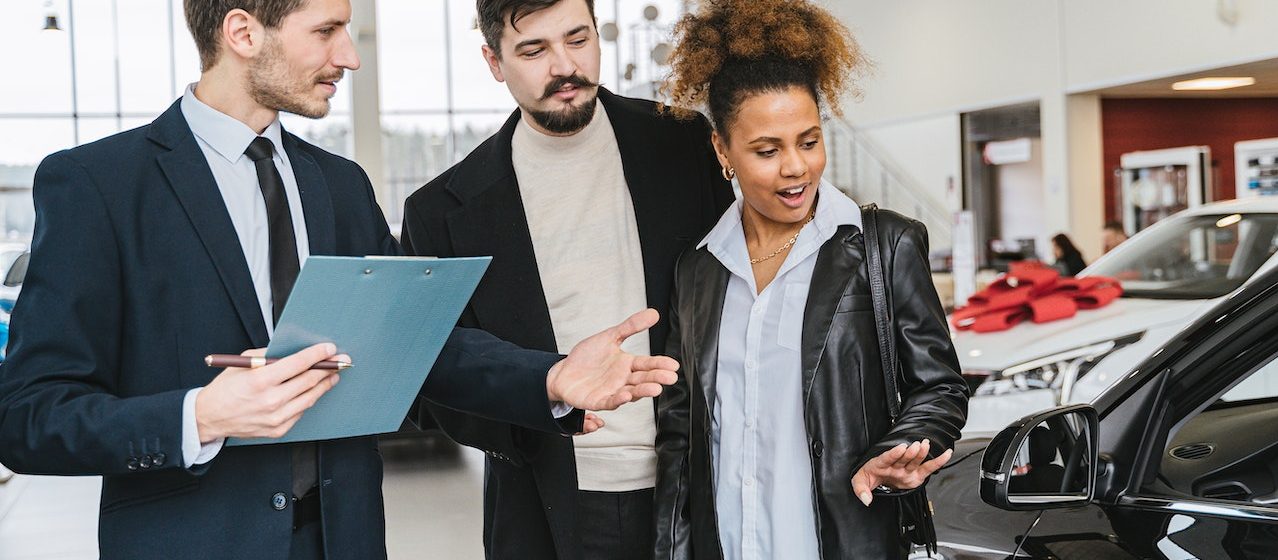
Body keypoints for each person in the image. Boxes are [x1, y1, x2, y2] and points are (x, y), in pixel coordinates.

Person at [0, 1, 679, 558]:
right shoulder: (98, 186)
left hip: (344, 539)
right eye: (326, 31)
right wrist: (199, 416)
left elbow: (420, 344)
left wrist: (549, 378)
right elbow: (30, 417)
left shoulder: (340, 187)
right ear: (242, 33)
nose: (349, 56)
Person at [399, 0, 734, 557]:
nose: (564, 66)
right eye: (534, 50)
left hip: (698, 491)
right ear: (493, 61)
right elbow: (432, 379)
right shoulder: (441, 211)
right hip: (545, 506)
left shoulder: (681, 143)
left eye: (578, 39)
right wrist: (548, 390)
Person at [652, 1, 970, 558]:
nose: (796, 167)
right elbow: (681, 440)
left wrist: (902, 448)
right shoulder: (699, 269)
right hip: (728, 542)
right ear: (723, 151)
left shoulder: (884, 245)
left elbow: (939, 387)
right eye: (766, 151)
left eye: (808, 140)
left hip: (841, 540)